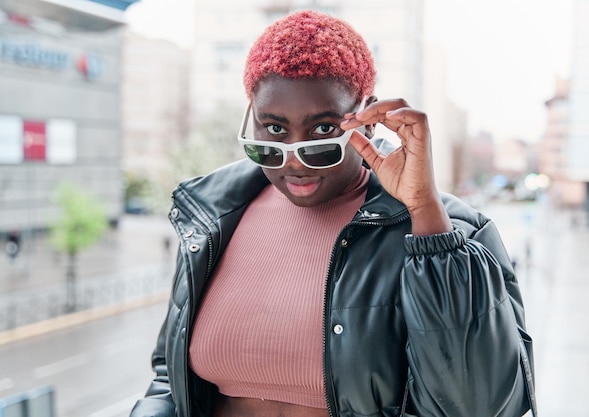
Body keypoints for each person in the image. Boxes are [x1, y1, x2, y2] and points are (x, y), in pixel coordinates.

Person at [130, 10, 536, 417]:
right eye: (274, 129)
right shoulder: (212, 217)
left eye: (323, 130)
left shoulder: (457, 233)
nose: (296, 161)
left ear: (369, 117)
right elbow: (170, 377)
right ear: (251, 116)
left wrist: (426, 217)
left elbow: (480, 404)